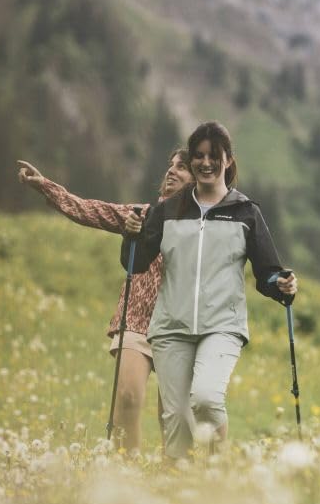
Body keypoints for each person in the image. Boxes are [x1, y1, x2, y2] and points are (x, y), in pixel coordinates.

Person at [124, 121, 296, 459]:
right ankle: (181, 493)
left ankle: (219, 472)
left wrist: (284, 284)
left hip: (222, 326)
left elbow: (267, 273)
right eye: (198, 157)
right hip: (171, 328)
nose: (206, 163)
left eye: (213, 156)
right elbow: (136, 263)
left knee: (205, 398)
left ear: (228, 160)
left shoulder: (246, 212)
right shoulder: (168, 210)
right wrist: (131, 234)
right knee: (175, 420)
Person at [16, 149, 192, 453]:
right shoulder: (141, 214)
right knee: (127, 397)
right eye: (170, 165)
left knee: (174, 414)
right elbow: (91, 210)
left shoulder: (201, 228)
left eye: (182, 167)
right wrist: (45, 185)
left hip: (178, 326)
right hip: (136, 319)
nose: (171, 171)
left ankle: (174, 477)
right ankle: (127, 475)